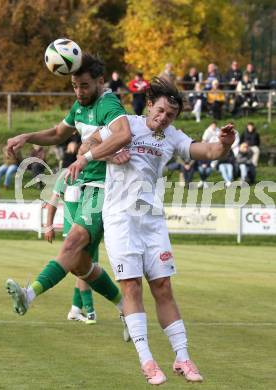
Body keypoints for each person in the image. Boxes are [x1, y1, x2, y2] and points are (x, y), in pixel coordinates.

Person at [67, 77, 235, 385]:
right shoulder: (126, 124)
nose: (162, 118)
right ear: (149, 105)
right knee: (131, 287)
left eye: (169, 115)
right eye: (159, 112)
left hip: (152, 221)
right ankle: (147, 362)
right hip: (120, 219)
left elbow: (209, 152)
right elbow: (87, 144)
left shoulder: (172, 136)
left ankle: (182, 357)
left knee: (163, 288)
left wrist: (225, 144)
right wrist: (108, 153)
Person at [4, 53, 131, 341]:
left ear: (100, 81)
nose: (79, 92)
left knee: (72, 244)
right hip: (82, 186)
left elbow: (123, 133)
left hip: (104, 187)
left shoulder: (108, 103)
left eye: (84, 85)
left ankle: (29, 294)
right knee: (79, 264)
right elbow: (57, 133)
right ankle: (126, 307)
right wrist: (26, 136)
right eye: (74, 86)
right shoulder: (79, 106)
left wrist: (86, 157)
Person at [44, 169, 97, 324]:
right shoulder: (68, 174)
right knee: (86, 269)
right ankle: (90, 309)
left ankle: (75, 310)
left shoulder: (97, 174)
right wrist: (48, 225)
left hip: (90, 229)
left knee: (86, 268)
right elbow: (53, 200)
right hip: (75, 231)